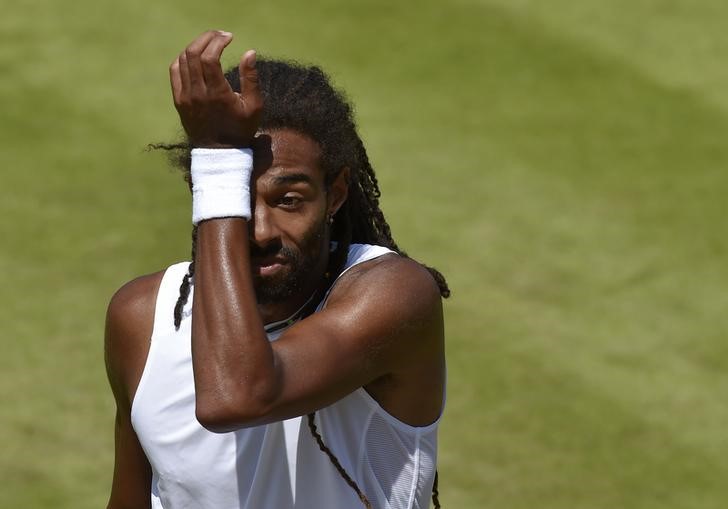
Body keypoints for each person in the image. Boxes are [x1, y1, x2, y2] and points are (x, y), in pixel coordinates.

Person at [104, 30, 449, 509]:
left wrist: (222, 164)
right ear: (202, 194)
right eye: (237, 198)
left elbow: (236, 397)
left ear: (338, 194)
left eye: (289, 200)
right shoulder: (141, 318)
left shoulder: (393, 295)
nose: (261, 230)